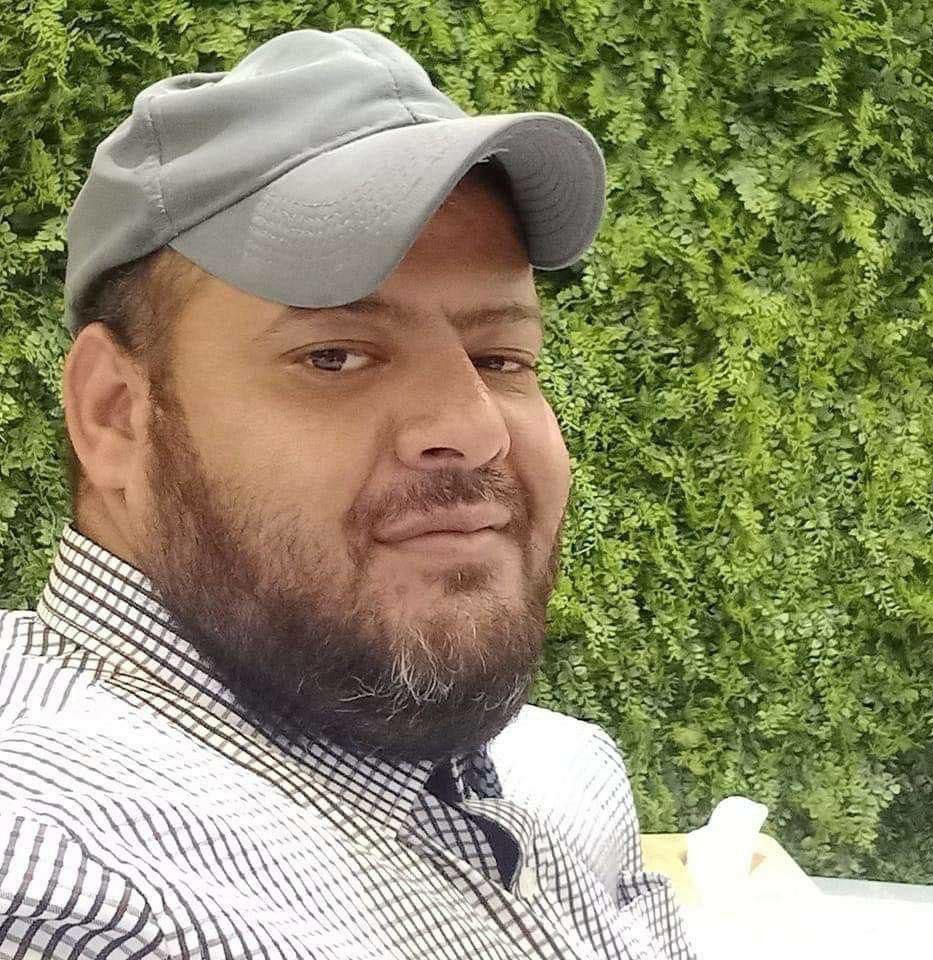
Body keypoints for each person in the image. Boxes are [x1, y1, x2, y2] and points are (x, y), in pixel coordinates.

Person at [0, 28, 695, 960]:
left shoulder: (566, 772)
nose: (476, 428)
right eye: (334, 356)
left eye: (501, 357)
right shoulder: (71, 877)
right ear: (116, 415)